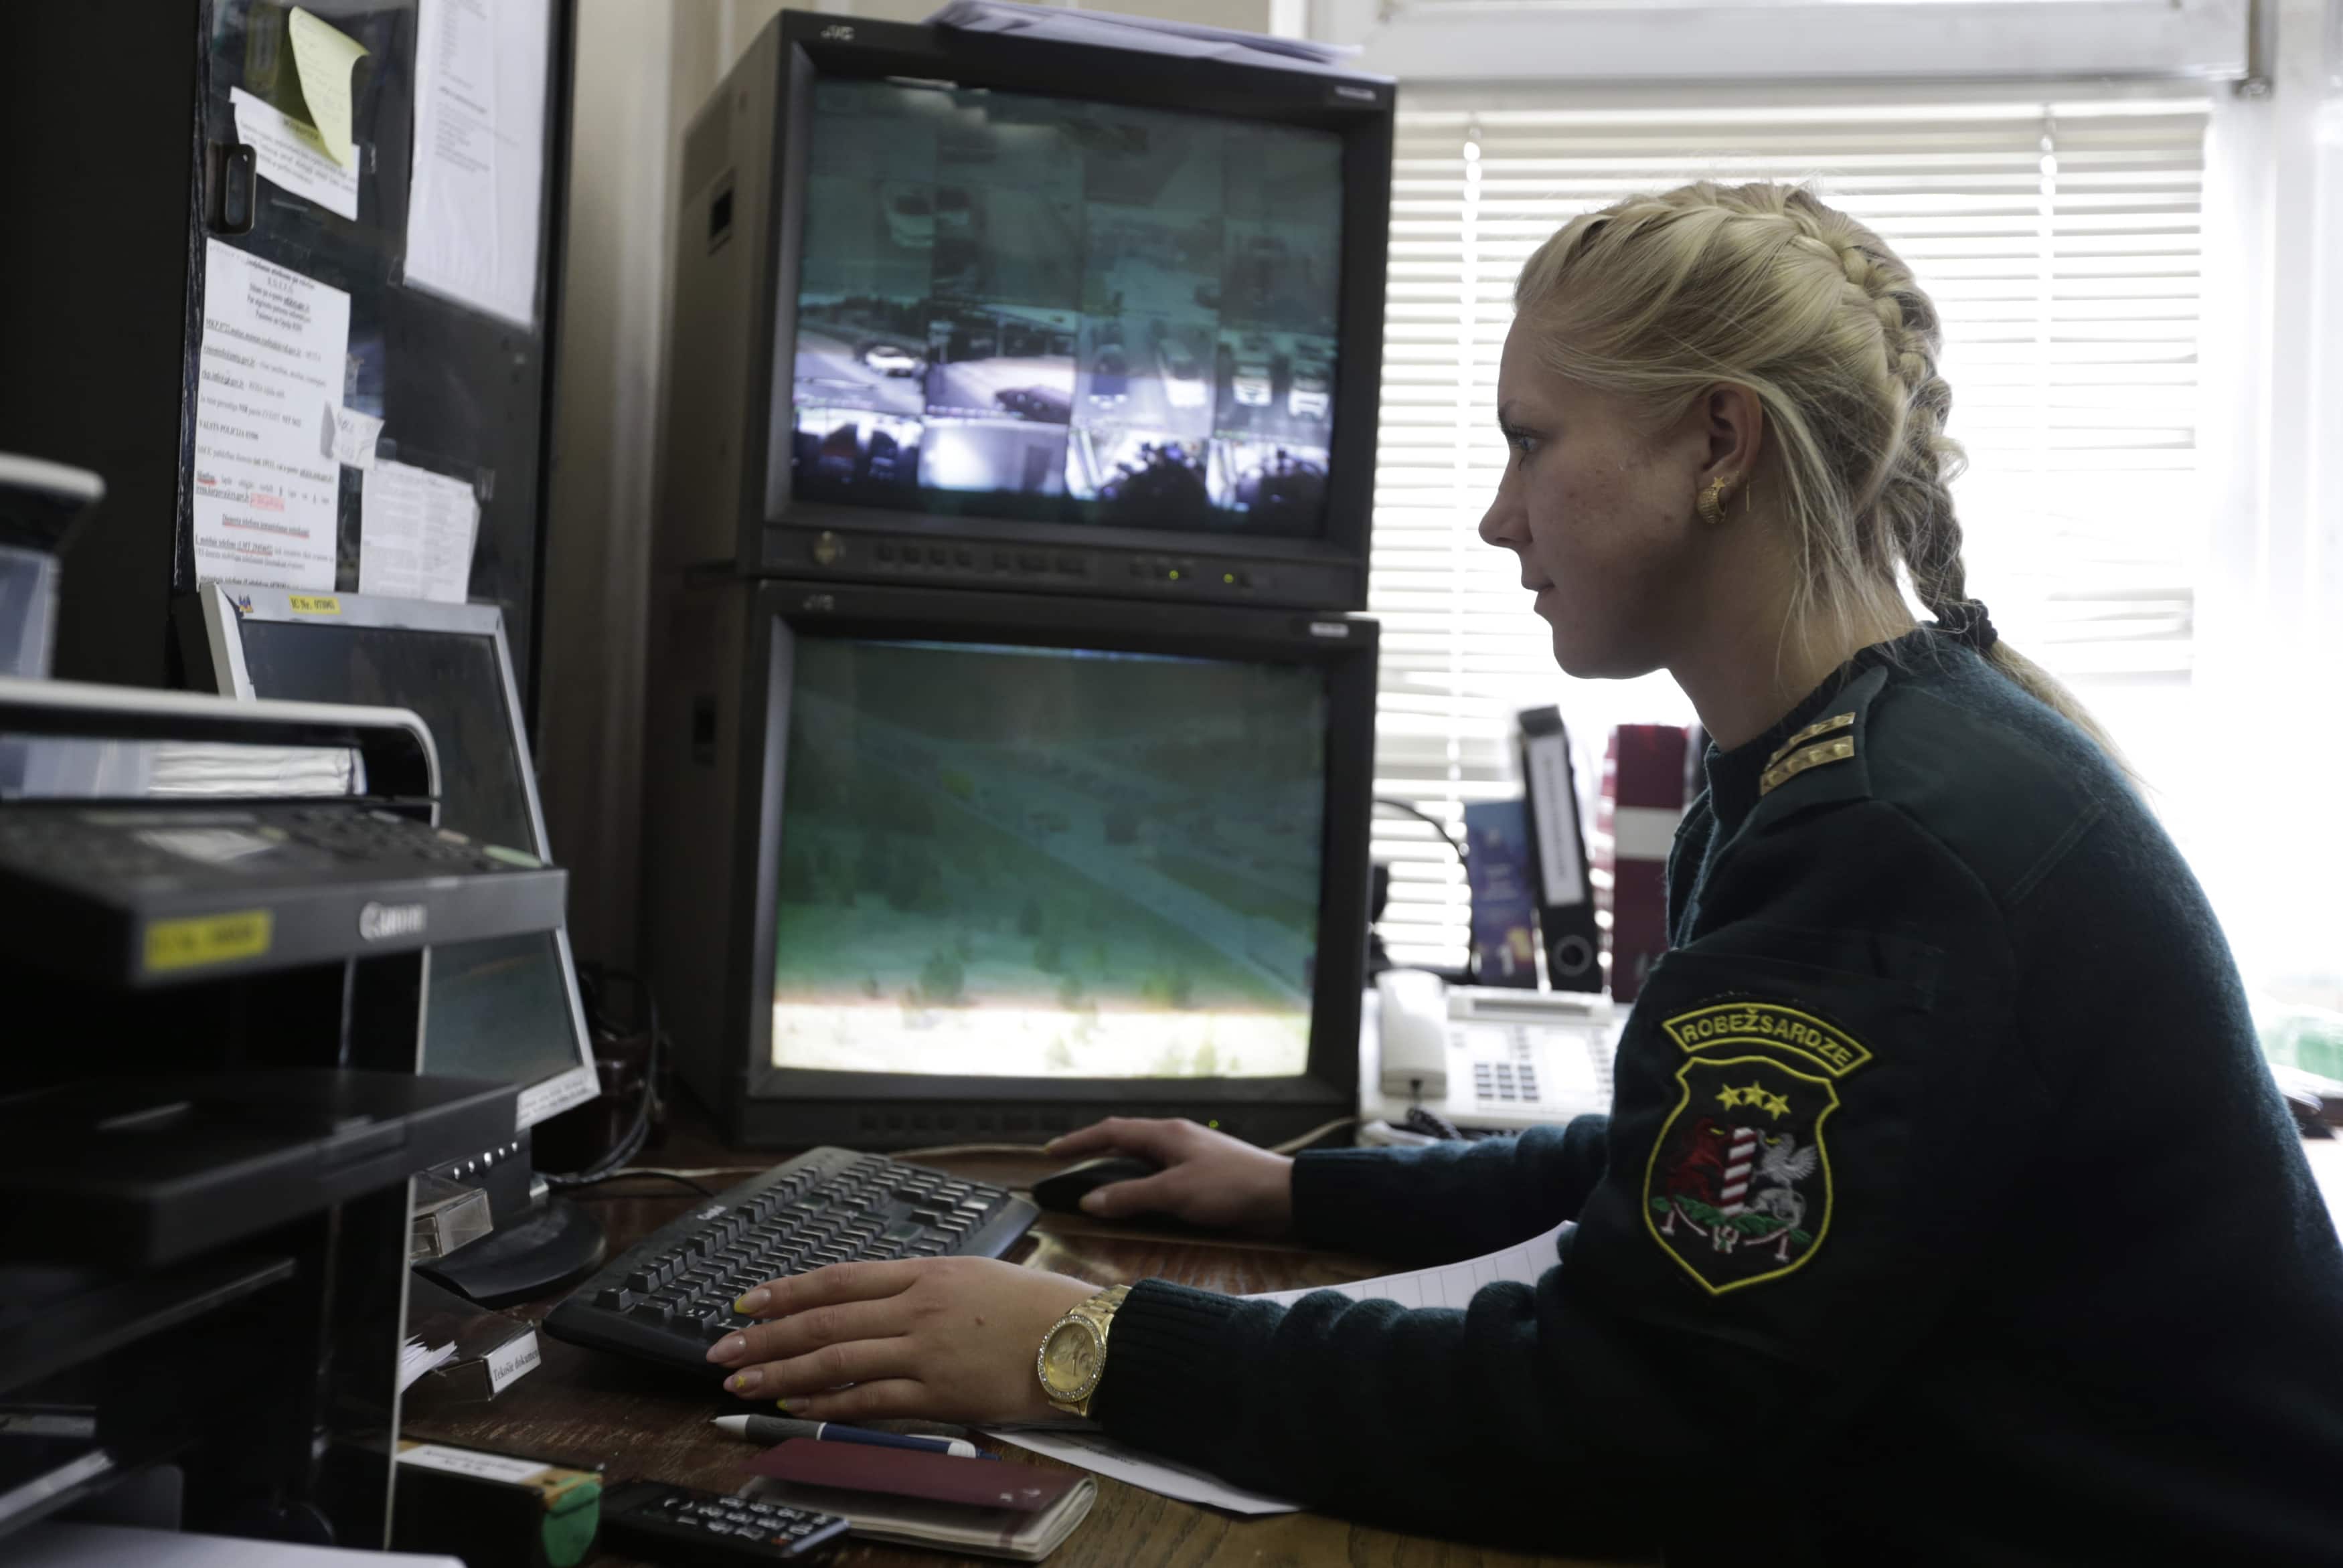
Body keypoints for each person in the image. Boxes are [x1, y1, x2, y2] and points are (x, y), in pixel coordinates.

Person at [704, 182, 2343, 1563]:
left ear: (1719, 443)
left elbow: (1625, 1408)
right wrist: (1296, 1187)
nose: (1497, 515)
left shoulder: (1887, 832)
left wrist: (1082, 1343)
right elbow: (1692, 1176)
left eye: (1531, 441)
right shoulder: (1847, 749)